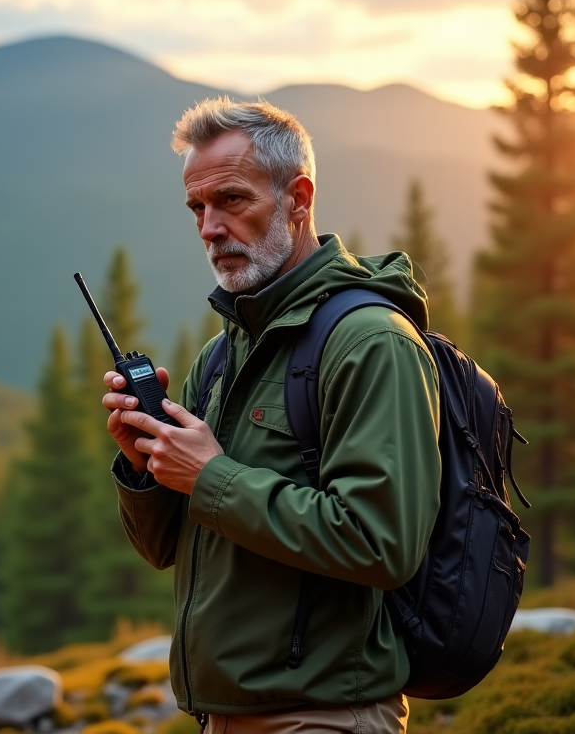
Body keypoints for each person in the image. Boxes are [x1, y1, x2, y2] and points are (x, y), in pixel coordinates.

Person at [100, 99, 442, 734]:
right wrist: (145, 467)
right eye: (197, 209)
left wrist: (211, 476)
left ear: (298, 197)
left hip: (324, 717)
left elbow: (382, 543)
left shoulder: (370, 343)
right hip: (224, 720)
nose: (209, 227)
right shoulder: (222, 356)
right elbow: (171, 548)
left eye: (231, 200)